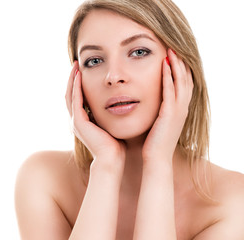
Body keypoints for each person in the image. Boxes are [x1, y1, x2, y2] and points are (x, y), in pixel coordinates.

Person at [15, 0, 244, 239]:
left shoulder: (232, 201)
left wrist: (158, 163)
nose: (113, 77)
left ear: (181, 68)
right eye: (94, 60)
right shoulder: (44, 179)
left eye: (138, 52)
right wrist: (106, 165)